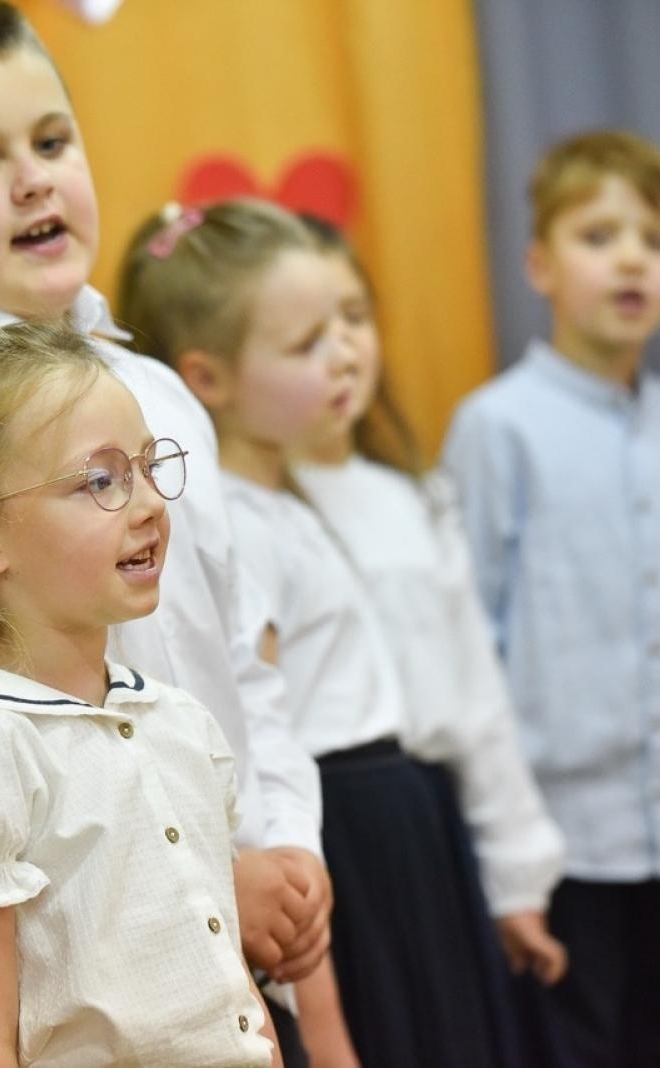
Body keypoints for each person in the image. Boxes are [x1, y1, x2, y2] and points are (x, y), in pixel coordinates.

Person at [0, 0, 330, 996]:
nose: (33, 178)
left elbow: (238, 658)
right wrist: (206, 883)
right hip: (83, 1000)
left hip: (250, 965)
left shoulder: (154, 391)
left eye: (50, 140)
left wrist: (286, 843)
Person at [117, 197, 528, 1068]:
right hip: (350, 825)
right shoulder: (239, 526)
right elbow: (263, 735)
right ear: (209, 379)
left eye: (349, 323)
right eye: (306, 344)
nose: (344, 353)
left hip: (401, 814)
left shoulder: (298, 502)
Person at [0, 319, 279, 1067]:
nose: (150, 502)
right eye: (101, 481)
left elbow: (228, 991)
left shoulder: (174, 720)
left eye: (150, 467)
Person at [441, 129, 660, 1067]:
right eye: (598, 235)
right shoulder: (498, 429)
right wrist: (498, 838)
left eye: (657, 241)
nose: (631, 257)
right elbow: (468, 644)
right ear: (540, 263)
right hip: (561, 841)